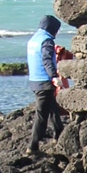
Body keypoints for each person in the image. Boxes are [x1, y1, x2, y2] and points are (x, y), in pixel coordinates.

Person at [26, 13, 65, 154]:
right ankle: (33, 146)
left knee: (53, 107)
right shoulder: (46, 40)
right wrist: (54, 76)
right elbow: (47, 59)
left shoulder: (33, 39)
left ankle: (59, 133)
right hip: (44, 81)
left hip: (34, 80)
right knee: (41, 115)